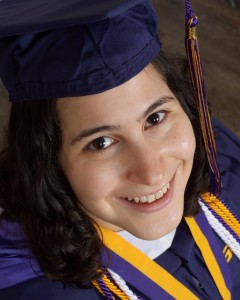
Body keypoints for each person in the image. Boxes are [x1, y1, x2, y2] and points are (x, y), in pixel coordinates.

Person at [0, 0, 239, 299]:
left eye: (155, 118)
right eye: (100, 143)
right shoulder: (35, 291)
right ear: (47, 161)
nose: (152, 173)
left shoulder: (222, 162)